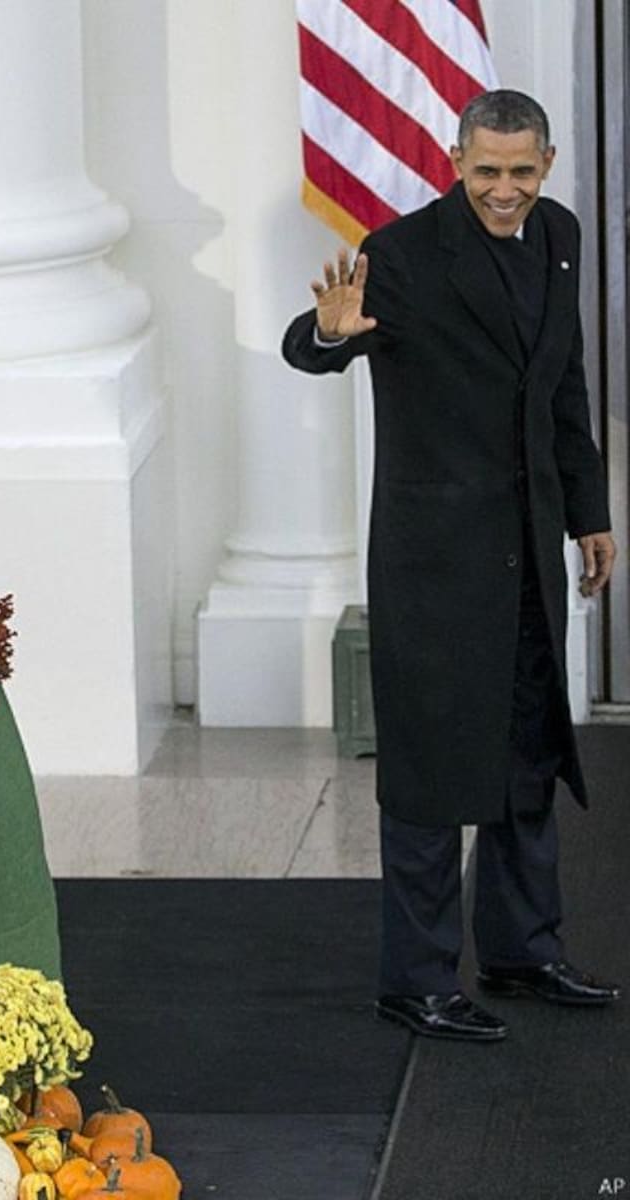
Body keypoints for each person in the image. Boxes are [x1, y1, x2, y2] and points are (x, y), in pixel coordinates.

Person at [282, 90, 620, 1041]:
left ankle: (522, 951)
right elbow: (311, 348)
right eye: (487, 172)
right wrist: (331, 334)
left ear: (546, 163)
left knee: (528, 748)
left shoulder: (559, 234)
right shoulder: (403, 252)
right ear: (455, 159)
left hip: (528, 548)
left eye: (521, 171)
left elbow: (563, 384)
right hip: (433, 558)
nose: (504, 190)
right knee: (432, 769)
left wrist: (588, 512)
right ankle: (417, 978)